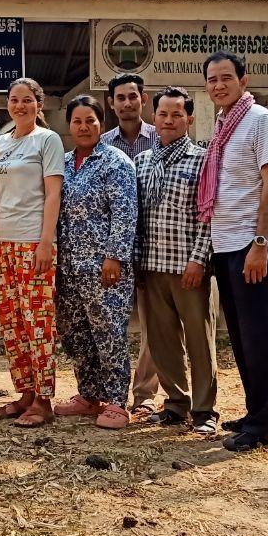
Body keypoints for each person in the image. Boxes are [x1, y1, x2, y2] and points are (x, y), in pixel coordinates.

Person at [199, 51, 268, 452]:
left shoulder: (260, 121)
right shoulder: (222, 127)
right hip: (226, 244)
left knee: (260, 337)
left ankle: (266, 427)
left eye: (226, 77)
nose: (219, 85)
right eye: (213, 79)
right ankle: (259, 413)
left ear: (243, 80)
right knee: (241, 336)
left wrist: (261, 243)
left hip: (253, 246)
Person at [51, 95, 138, 429]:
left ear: (103, 124)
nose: (84, 127)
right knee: (77, 334)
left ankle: (116, 401)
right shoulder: (64, 162)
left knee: (109, 333)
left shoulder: (115, 162)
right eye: (77, 121)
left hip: (104, 268)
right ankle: (89, 395)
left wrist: (114, 256)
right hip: (70, 268)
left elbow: (125, 212)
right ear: (69, 125)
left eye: (91, 120)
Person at [134, 86, 217, 434]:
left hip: (188, 269)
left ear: (189, 119)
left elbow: (211, 215)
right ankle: (176, 403)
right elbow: (134, 217)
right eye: (163, 114)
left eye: (176, 114)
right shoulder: (141, 162)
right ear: (154, 118)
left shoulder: (202, 160)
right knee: (161, 340)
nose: (169, 120)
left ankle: (204, 411)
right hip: (151, 267)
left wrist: (198, 261)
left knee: (199, 341)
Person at [0, 77, 63, 428]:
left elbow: (52, 195)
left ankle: (45, 399)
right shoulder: (1, 143)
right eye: (14, 100)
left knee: (38, 322)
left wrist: (46, 242)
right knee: (12, 322)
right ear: (8, 104)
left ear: (39, 104)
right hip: (3, 243)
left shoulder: (47, 140)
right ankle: (26, 393)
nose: (20, 106)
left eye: (27, 100)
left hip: (34, 241)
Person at [100, 72, 162, 418]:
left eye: (132, 97)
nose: (126, 103)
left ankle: (144, 394)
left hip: (153, 244)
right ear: (111, 102)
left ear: (144, 98)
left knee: (152, 324)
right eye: (120, 98)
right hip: (114, 250)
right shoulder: (103, 144)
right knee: (111, 322)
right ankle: (109, 393)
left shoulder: (160, 138)